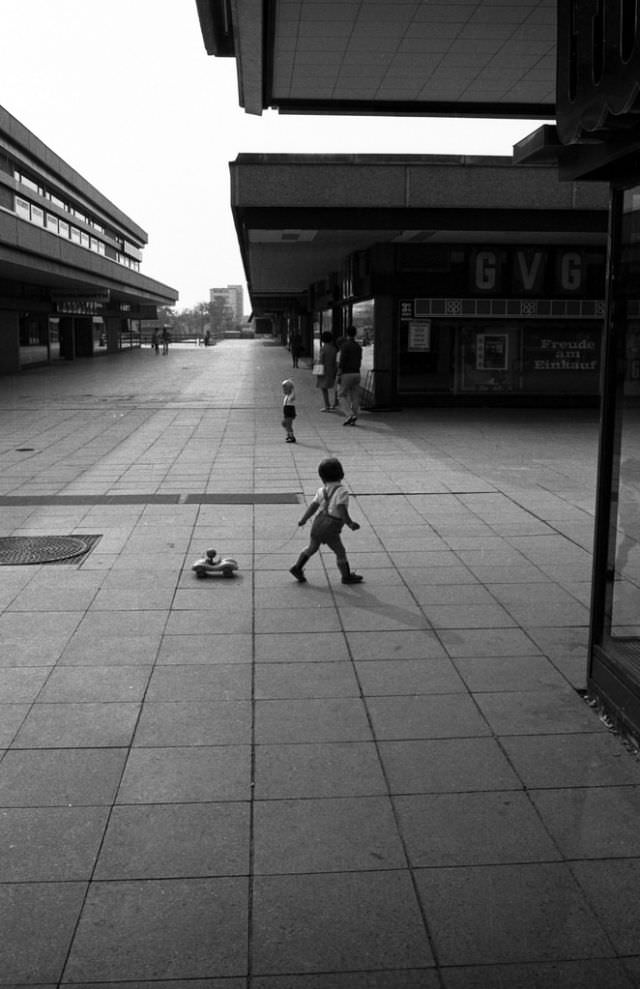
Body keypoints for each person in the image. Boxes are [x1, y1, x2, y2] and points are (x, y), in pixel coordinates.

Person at [289, 457, 363, 584]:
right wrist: (349, 523)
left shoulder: (321, 491)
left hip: (318, 523)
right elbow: (341, 509)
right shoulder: (342, 492)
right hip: (331, 528)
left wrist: (304, 519)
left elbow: (313, 506)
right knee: (340, 551)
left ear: (322, 478)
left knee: (312, 547)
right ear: (342, 474)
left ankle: (297, 567)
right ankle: (346, 576)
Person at [337, 325, 362, 425]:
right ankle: (354, 417)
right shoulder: (358, 346)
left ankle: (350, 414)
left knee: (341, 395)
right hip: (357, 373)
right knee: (355, 397)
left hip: (347, 374)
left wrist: (339, 373)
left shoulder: (345, 346)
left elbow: (342, 361)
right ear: (355, 334)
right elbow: (360, 360)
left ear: (347, 333)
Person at [315, 331, 339, 411]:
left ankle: (327, 405)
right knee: (335, 387)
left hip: (324, 370)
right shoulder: (334, 349)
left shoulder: (323, 348)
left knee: (324, 388)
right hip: (333, 369)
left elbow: (321, 360)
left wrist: (317, 368)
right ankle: (335, 403)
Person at [281, 378, 297, 443]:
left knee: (288, 425)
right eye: (283, 389)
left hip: (289, 412)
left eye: (285, 389)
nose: (284, 390)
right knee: (284, 424)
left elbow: (293, 395)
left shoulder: (291, 396)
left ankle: (291, 437)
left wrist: (292, 388)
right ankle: (289, 434)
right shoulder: (286, 396)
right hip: (286, 412)